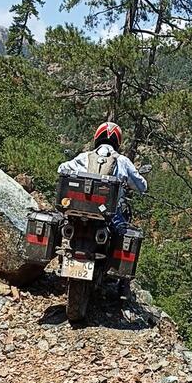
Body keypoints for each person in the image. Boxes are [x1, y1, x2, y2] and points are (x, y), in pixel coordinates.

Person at [57, 121, 147, 299]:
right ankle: (123, 285)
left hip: (78, 210)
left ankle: (64, 265)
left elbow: (61, 169)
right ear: (118, 142)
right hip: (108, 214)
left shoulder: (84, 157)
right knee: (125, 233)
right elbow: (142, 186)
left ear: (97, 138)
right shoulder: (122, 161)